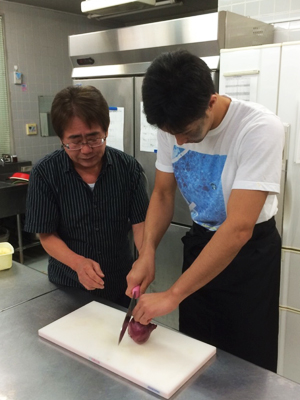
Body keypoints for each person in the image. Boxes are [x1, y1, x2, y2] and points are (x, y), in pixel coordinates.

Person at [126, 50, 285, 372]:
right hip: (201, 244)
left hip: (249, 255)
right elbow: (162, 192)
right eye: (172, 134)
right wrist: (147, 252)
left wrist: (172, 294)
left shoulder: (259, 128)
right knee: (194, 352)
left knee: (245, 360)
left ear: (211, 102)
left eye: (187, 131)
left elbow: (239, 228)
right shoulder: (172, 122)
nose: (180, 140)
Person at [25, 85, 149, 307]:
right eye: (74, 141)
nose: (86, 150)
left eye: (94, 139)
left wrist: (145, 258)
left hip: (120, 284)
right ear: (61, 138)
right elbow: (46, 235)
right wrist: (78, 263)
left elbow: (141, 225)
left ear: (106, 130)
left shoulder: (129, 169)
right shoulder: (45, 173)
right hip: (67, 285)